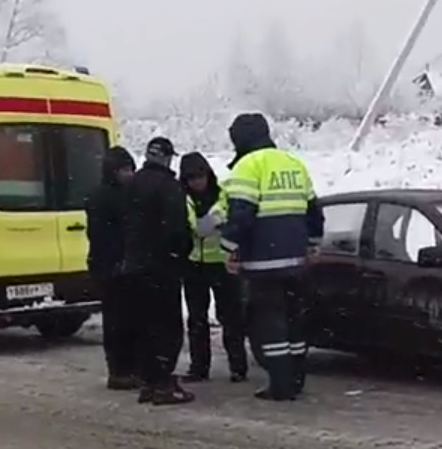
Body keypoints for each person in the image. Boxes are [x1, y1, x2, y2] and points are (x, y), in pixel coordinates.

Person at [220, 113, 323, 402]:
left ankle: (280, 385)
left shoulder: (248, 166)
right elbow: (314, 211)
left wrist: (228, 248)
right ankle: (296, 379)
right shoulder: (293, 163)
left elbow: (241, 214)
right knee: (294, 323)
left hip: (264, 263)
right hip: (296, 261)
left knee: (269, 324)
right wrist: (313, 244)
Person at [122, 136, 195, 405]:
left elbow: (123, 224)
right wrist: (181, 253)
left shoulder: (131, 184)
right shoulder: (169, 187)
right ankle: (164, 382)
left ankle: (149, 382)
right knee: (166, 326)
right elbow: (176, 231)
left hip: (134, 267)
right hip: (162, 269)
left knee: (144, 325)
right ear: (166, 157)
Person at [179, 151, 249, 383]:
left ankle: (238, 367)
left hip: (221, 263)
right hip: (194, 265)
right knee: (197, 320)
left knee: (231, 317)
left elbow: (231, 221)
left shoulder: (223, 196)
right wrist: (211, 222)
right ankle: (199, 367)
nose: (197, 182)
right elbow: (195, 228)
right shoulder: (182, 198)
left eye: (200, 176)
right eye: (191, 178)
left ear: (208, 175)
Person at [85, 146, 139, 390]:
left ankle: (128, 368)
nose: (128, 174)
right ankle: (119, 371)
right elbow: (102, 236)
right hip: (111, 267)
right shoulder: (104, 197)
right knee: (117, 322)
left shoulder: (124, 194)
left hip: (122, 266)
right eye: (123, 170)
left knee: (128, 321)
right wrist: (117, 262)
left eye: (130, 169)